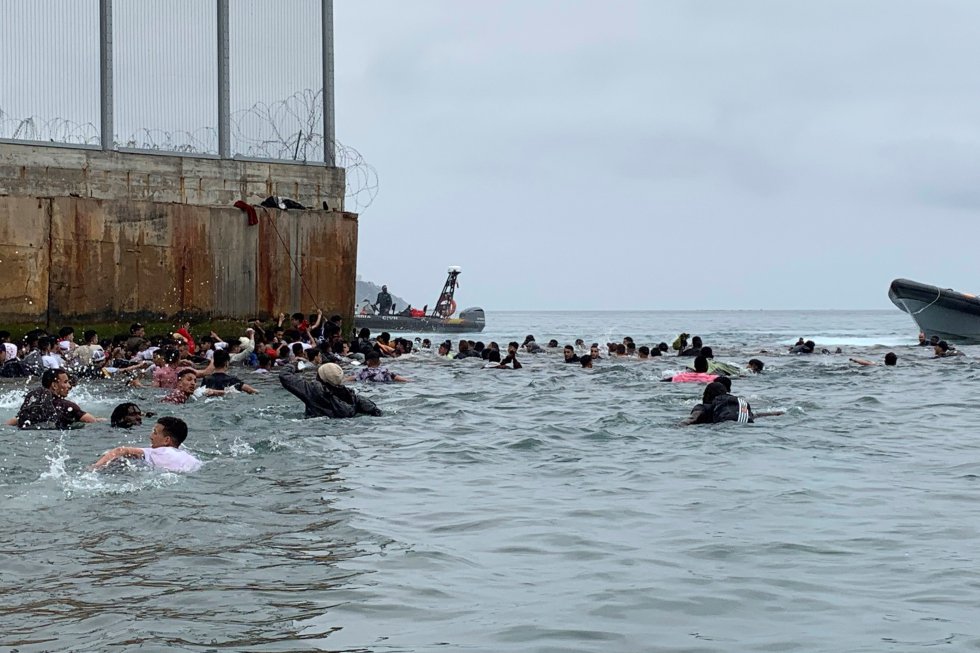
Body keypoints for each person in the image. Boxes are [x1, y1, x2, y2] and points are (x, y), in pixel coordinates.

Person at [92, 416, 202, 473]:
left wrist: (94, 467)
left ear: (167, 440)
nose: (151, 436)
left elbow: (121, 451)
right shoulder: (190, 458)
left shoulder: (158, 452)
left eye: (155, 432)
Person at [279, 362, 382, 418]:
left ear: (320, 377)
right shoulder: (351, 396)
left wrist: (293, 364)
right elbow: (374, 410)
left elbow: (284, 376)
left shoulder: (313, 391)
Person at [8, 368, 101, 429]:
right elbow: (91, 421)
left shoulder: (33, 405)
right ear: (54, 385)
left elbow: (11, 422)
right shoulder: (67, 406)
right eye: (65, 382)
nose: (69, 386)